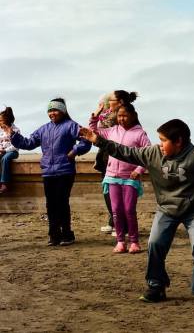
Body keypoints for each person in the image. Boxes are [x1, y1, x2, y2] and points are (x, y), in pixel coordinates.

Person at [79, 118, 194, 304]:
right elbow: (125, 152)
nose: (160, 144)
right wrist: (98, 140)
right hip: (166, 209)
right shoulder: (153, 154)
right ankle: (156, 287)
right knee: (155, 243)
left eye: (164, 140)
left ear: (178, 141)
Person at [7, 99, 91, 245]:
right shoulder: (43, 129)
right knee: (51, 204)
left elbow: (87, 140)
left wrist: (74, 151)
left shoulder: (71, 126)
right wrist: (13, 135)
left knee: (62, 202)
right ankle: (54, 236)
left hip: (65, 170)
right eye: (50, 111)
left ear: (63, 111)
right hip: (48, 172)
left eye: (55, 110)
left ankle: (67, 234)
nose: (52, 113)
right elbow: (28, 143)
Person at [90, 103, 151, 253]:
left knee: (129, 210)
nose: (122, 119)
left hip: (130, 178)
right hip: (112, 177)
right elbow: (93, 132)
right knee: (116, 210)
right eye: (119, 116)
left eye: (125, 115)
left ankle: (134, 242)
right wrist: (95, 116)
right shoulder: (112, 131)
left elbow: (148, 155)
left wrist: (139, 170)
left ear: (133, 116)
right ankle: (120, 241)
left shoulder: (140, 134)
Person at [93, 90, 139, 234]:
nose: (107, 103)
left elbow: (98, 135)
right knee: (113, 196)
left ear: (120, 103)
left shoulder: (116, 119)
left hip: (119, 163)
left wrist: (96, 115)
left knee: (119, 199)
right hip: (110, 161)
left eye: (110, 100)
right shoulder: (113, 116)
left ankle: (121, 226)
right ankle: (115, 223)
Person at [0, 107, 20, 194]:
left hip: (12, 151)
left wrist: (5, 151)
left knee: (5, 159)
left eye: (1, 120)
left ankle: (5, 183)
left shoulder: (15, 130)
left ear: (7, 120)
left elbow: (16, 146)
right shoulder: (1, 131)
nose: (0, 122)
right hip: (2, 151)